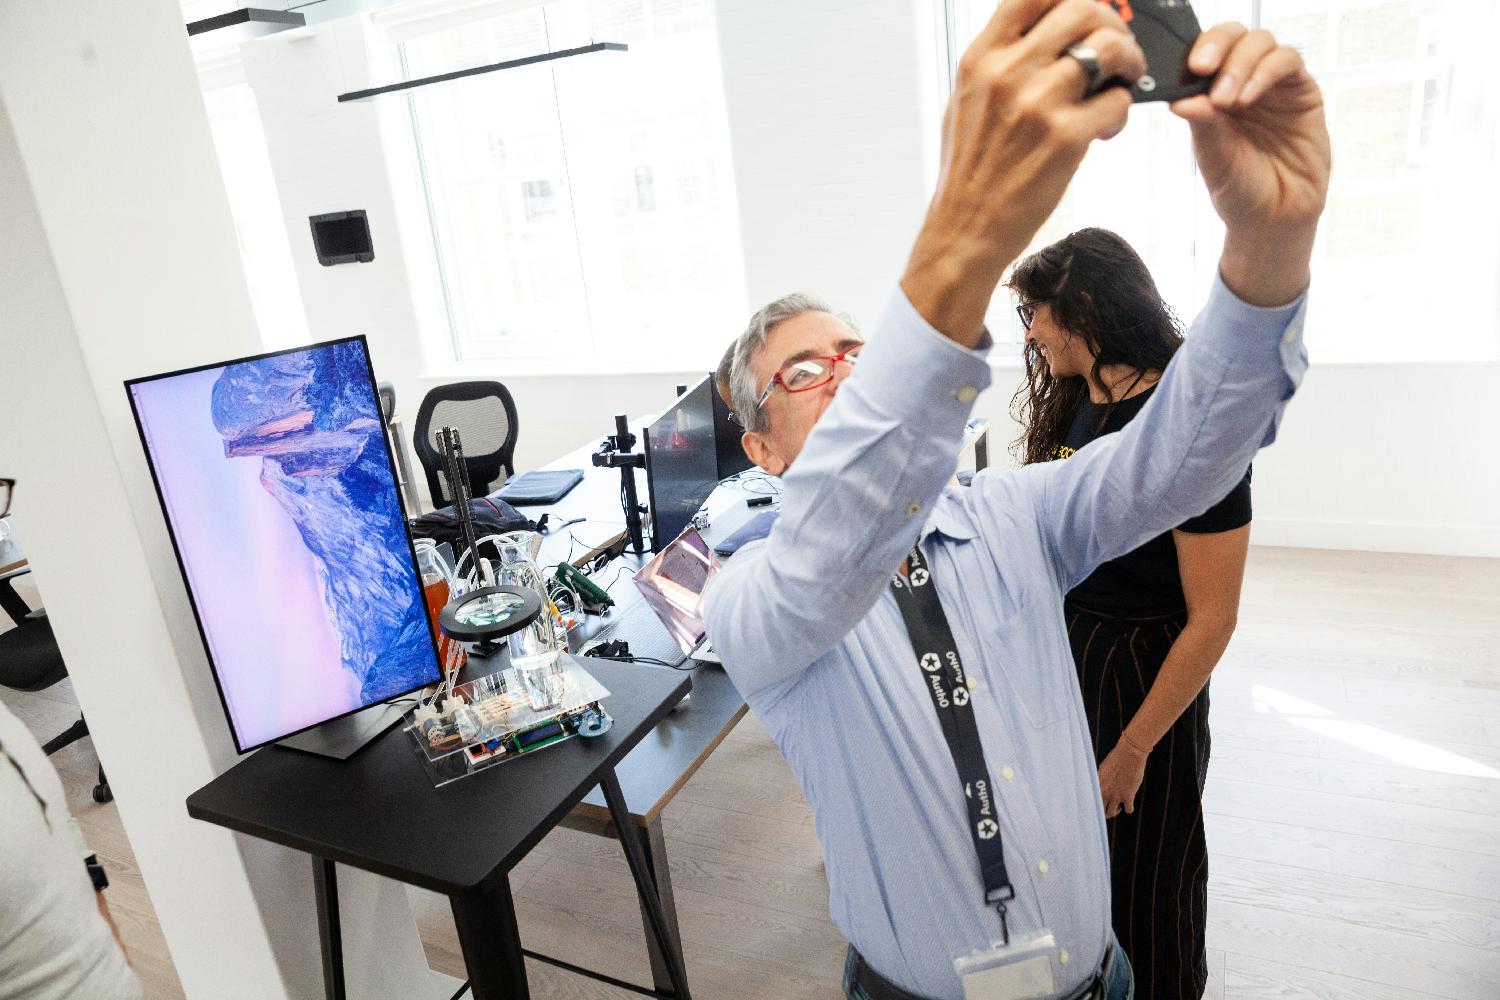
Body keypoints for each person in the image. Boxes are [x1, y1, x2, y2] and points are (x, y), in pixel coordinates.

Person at [703, 0, 1330, 997]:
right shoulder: (746, 599)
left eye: (856, 355)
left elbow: (1186, 456)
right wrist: (966, 229)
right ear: (760, 448)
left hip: (1103, 977)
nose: (844, 375)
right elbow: (842, 535)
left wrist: (1268, 246)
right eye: (803, 372)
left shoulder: (1010, 515)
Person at [1009, 227, 1250, 999]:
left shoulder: (1190, 426)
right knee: (1079, 868)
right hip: (1072, 656)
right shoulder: (1083, 400)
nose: (1033, 334)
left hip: (1143, 674)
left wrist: (1136, 748)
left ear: (1085, 308)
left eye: (1036, 314)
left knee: (1149, 877)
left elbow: (1213, 618)